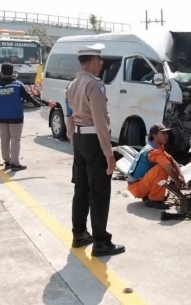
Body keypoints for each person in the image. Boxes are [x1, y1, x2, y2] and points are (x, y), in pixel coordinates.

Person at [66, 43, 125, 257]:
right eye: (99, 61)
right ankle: (101, 241)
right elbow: (101, 122)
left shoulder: (72, 85)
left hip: (80, 139)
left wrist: (74, 142)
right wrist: (109, 154)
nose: (101, 64)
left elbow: (69, 118)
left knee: (81, 189)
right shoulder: (95, 85)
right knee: (99, 192)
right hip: (94, 141)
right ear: (92, 61)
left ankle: (79, 233)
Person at [0, 63, 55, 171]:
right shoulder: (17, 85)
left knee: (4, 140)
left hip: (2, 118)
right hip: (16, 117)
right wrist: (45, 103)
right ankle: (15, 163)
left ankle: (7, 161)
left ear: (1, 72)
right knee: (15, 140)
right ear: (12, 72)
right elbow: (31, 98)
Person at [126, 124, 186, 209]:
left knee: (166, 164)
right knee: (163, 167)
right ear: (154, 135)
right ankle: (154, 200)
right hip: (137, 188)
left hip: (140, 184)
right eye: (163, 133)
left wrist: (180, 176)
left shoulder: (158, 147)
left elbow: (172, 160)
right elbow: (168, 167)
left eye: (166, 133)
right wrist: (177, 181)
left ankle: (151, 195)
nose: (166, 136)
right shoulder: (153, 151)